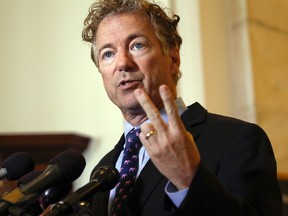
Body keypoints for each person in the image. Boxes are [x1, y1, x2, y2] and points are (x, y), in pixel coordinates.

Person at [81, 0, 283, 215]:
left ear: (173, 58)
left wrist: (188, 179)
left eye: (137, 45)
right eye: (108, 54)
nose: (122, 63)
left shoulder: (239, 140)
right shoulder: (103, 171)